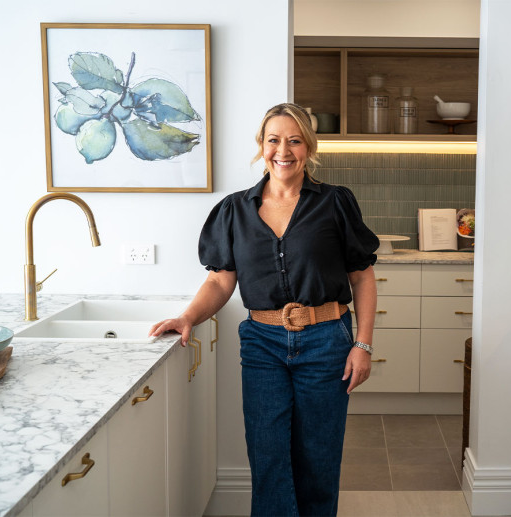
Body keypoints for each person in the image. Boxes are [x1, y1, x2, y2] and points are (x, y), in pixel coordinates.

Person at [149, 102, 379, 517]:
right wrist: (187, 317)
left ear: (308, 147)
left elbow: (361, 276)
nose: (283, 150)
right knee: (267, 455)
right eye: (274, 140)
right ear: (261, 145)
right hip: (263, 345)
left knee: (318, 458)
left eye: (294, 140)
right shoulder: (234, 210)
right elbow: (220, 280)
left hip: (327, 340)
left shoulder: (335, 203)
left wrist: (362, 344)